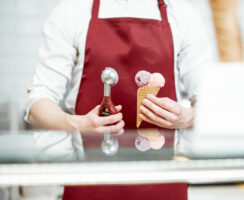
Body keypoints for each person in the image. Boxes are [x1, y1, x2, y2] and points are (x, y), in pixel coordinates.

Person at [25, 0, 214, 199]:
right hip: (90, 182)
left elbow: (212, 101)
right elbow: (38, 101)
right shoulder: (72, 12)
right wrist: (76, 123)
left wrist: (188, 117)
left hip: (162, 184)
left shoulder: (184, 16)